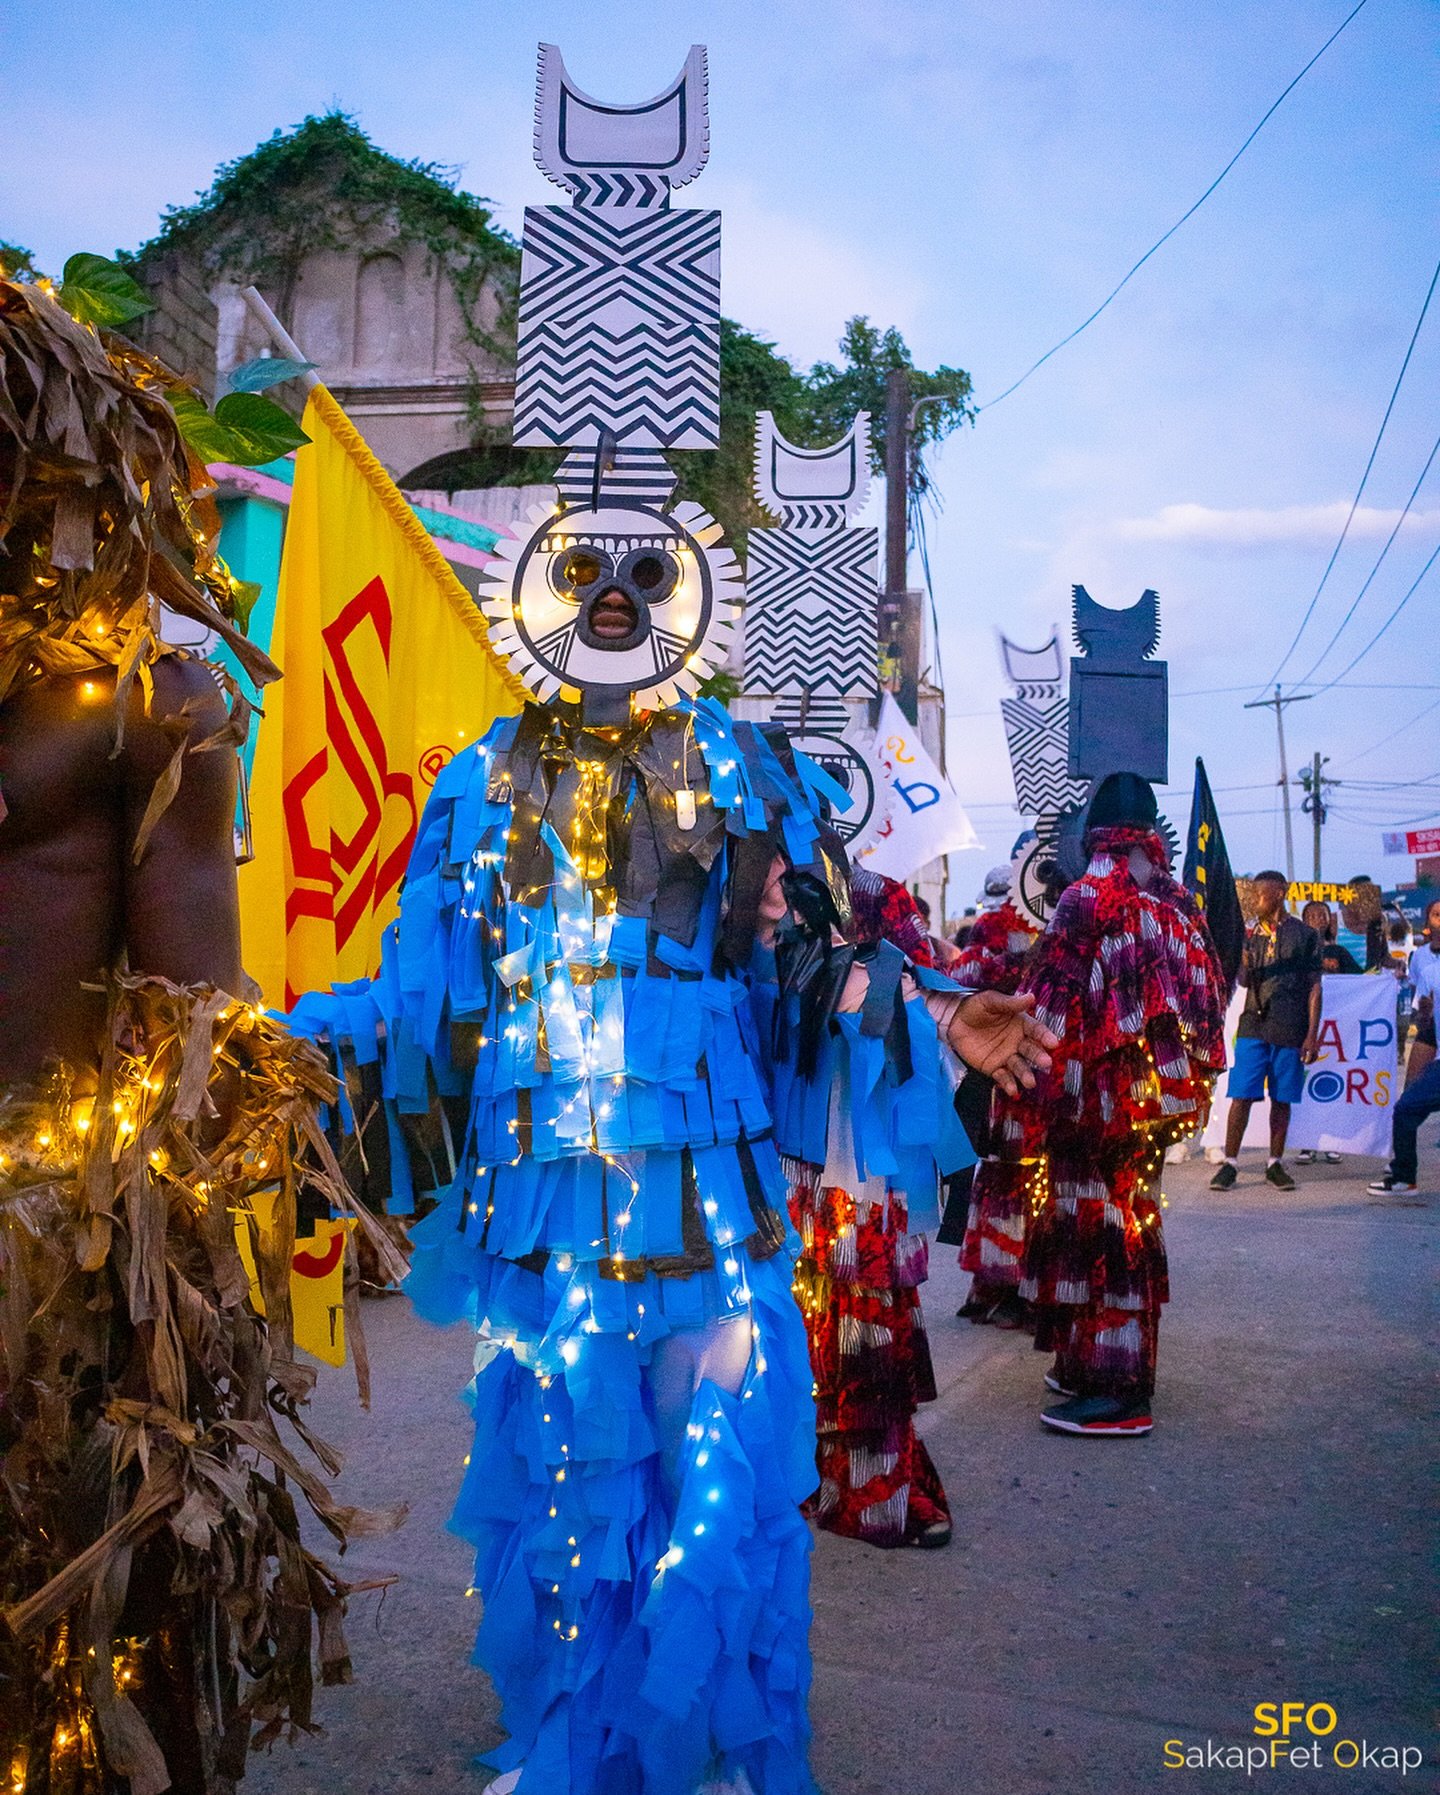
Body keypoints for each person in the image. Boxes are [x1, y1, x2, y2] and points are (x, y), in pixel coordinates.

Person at [0, 276, 374, 1793]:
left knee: (78, 1664)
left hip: (45, 1261)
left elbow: (196, 1029)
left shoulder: (155, 699)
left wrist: (185, 1325)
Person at [976, 773, 1227, 1435]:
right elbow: (1208, 1001)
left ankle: (1118, 1393)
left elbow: (1047, 1010)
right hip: (1153, 1104)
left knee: (1098, 1235)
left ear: (1093, 830)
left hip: (1092, 1106)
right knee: (1130, 1227)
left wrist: (1015, 1081)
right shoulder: (1178, 901)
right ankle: (1100, 1365)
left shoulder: (1088, 898)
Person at [782, 866, 957, 1549]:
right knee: (813, 1336)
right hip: (810, 1182)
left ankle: (883, 1494)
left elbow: (925, 1085)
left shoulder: (892, 958)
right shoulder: (783, 952)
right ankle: (825, 1484)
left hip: (864, 1185)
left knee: (866, 1336)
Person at [1209, 871, 1322, 1192]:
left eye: (1261, 893)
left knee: (1282, 1099)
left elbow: (1315, 988)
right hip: (1252, 1024)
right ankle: (1230, 1164)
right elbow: (1243, 982)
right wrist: (1242, 962)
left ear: (1280, 892)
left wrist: (1312, 1034)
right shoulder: (1249, 935)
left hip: (1289, 1024)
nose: (1255, 899)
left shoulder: (1305, 935)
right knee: (1241, 1094)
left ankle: (1275, 1163)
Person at [1368, 897, 1440, 1194]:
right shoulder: (1423, 960)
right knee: (1407, 1105)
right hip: (1432, 1037)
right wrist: (1424, 1010)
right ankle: (1403, 1176)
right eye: (1437, 914)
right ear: (1429, 921)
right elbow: (1425, 1008)